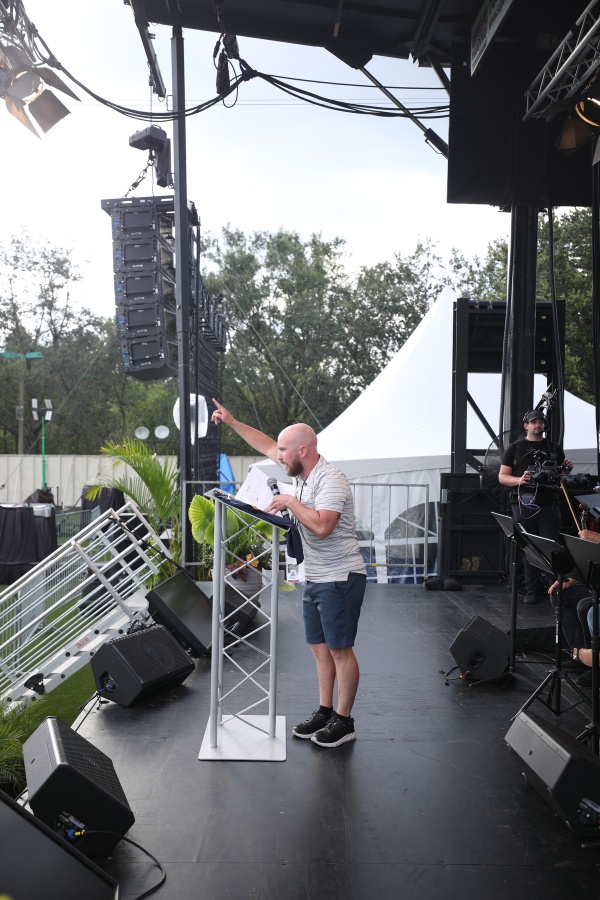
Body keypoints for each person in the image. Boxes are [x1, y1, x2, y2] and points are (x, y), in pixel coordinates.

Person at [211, 398, 367, 749]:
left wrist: (291, 503)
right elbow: (265, 444)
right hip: (315, 575)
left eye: (284, 451)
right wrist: (232, 422)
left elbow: (323, 527)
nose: (278, 456)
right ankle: (325, 712)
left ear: (303, 451)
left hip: (340, 576)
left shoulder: (331, 480)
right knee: (320, 648)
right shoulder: (301, 474)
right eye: (279, 451)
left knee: (340, 650)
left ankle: (344, 721)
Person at [498, 410, 572, 604]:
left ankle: (554, 589)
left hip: (549, 502)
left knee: (551, 547)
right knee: (528, 546)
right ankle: (532, 589)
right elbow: (502, 477)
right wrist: (520, 480)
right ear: (526, 426)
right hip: (524, 502)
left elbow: (559, 475)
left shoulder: (553, 448)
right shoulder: (515, 448)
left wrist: (566, 471)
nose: (538, 425)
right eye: (534, 422)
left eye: (541, 422)